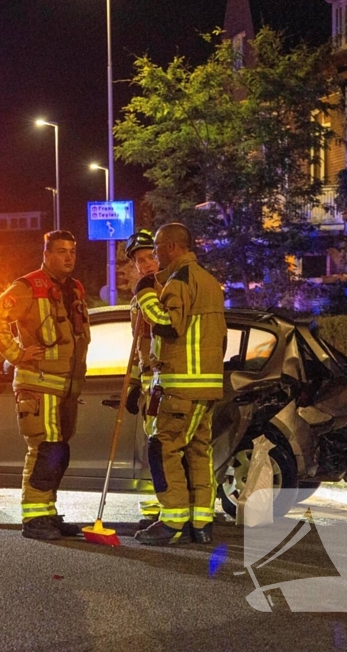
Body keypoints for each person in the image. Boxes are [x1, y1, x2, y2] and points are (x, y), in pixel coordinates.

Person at [0, 230, 91, 540]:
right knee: (45, 449)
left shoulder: (75, 289)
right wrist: (17, 353)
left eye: (72, 251)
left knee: (58, 451)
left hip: (65, 387)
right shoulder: (28, 286)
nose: (69, 256)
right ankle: (34, 518)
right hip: (38, 384)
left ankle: (47, 512)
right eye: (61, 251)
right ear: (46, 256)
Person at [132, 223, 226, 546]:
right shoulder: (211, 282)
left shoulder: (179, 280)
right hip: (208, 385)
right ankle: (202, 523)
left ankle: (172, 522)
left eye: (157, 248)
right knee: (199, 451)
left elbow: (169, 326)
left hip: (180, 385)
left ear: (171, 246)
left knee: (163, 447)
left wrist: (144, 296)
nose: (155, 255)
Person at [121, 231, 164, 528]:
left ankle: (173, 509)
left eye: (151, 257)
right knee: (155, 446)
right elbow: (140, 346)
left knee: (164, 448)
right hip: (151, 383)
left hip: (169, 382)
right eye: (140, 261)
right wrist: (136, 383)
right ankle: (162, 506)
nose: (147, 264)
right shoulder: (140, 296)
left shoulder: (170, 289)